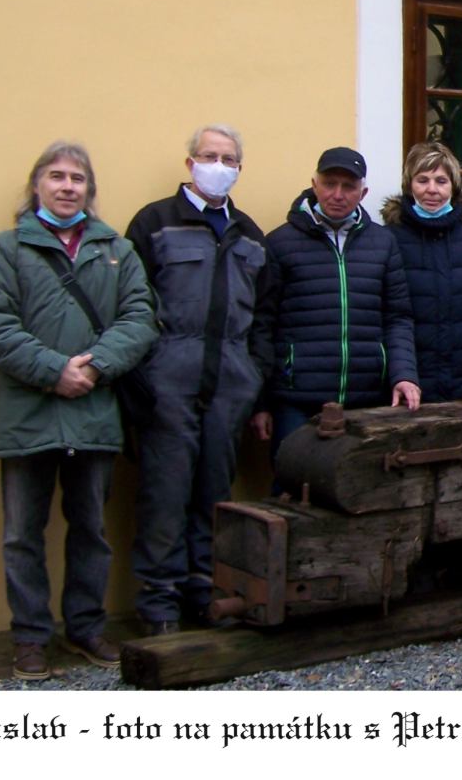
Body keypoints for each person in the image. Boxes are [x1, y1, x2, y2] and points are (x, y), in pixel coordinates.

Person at [0, 142, 157, 680]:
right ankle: (30, 637)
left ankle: (85, 627)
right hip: (26, 414)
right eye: (56, 176)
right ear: (37, 186)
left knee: (91, 529)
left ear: (89, 190)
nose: (67, 185)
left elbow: (141, 317)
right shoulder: (5, 250)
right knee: (22, 533)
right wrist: (55, 370)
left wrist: (95, 366)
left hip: (94, 412)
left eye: (78, 178)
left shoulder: (115, 250)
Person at [124, 124, 275, 635]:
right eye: (209, 155)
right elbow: (130, 302)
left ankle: (204, 590)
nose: (218, 164)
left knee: (215, 493)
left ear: (240, 168)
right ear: (189, 163)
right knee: (164, 495)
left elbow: (264, 317)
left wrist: (253, 376)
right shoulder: (154, 223)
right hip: (168, 381)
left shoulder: (251, 234)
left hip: (229, 384)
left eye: (228, 158)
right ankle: (159, 602)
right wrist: (144, 374)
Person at [250, 146, 419, 454]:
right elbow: (263, 324)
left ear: (363, 192)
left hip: (366, 396)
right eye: (330, 184)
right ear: (315, 185)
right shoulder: (279, 243)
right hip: (296, 399)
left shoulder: (382, 243)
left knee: (360, 489)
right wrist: (260, 401)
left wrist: (404, 374)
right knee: (291, 485)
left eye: (349, 186)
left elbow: (397, 317)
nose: (338, 194)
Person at [379, 141, 462, 403]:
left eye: (441, 181)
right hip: (412, 377)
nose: (432, 189)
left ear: (453, 186)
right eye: (423, 180)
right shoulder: (389, 239)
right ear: (410, 185)